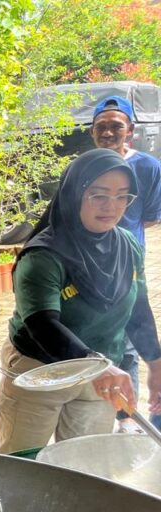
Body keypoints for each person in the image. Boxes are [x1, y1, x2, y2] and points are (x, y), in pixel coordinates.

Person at [0, 149, 161, 456]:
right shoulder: (43, 255)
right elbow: (41, 324)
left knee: (85, 461)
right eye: (98, 195)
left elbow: (138, 308)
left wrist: (156, 361)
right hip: (40, 370)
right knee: (24, 461)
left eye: (123, 196)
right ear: (74, 193)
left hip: (101, 372)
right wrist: (94, 365)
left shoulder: (127, 245)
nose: (112, 207)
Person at [89, 95, 161, 432]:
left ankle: (125, 416)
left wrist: (120, 239)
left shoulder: (147, 167)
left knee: (128, 341)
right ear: (92, 132)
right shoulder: (84, 166)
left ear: (129, 131)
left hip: (127, 264)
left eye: (115, 126)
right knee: (96, 337)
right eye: (101, 127)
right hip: (88, 265)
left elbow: (147, 217)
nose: (108, 132)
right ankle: (99, 407)